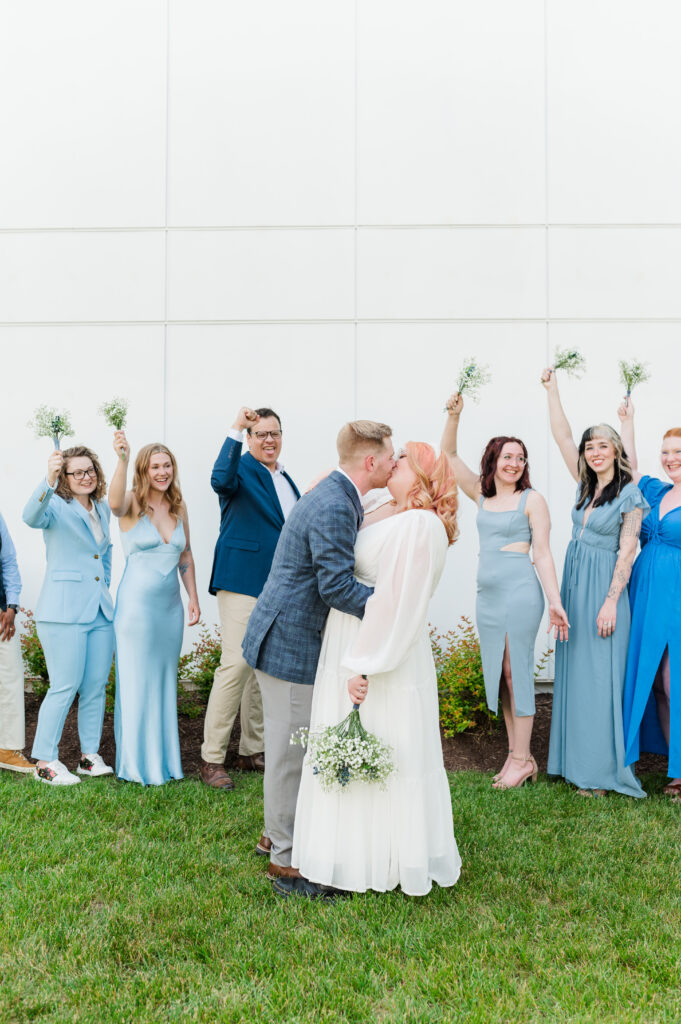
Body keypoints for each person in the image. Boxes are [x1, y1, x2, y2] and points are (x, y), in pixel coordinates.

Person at [290, 441, 462, 897]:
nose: (392, 462)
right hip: (349, 639)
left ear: (423, 477)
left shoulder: (421, 525)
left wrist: (364, 664)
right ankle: (343, 859)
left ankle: (363, 869)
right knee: (348, 752)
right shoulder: (392, 510)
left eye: (401, 458)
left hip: (379, 655)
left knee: (378, 753)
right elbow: (329, 490)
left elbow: (397, 603)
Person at [242, 420, 395, 892]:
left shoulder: (338, 493)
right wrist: (394, 604)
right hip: (290, 640)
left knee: (292, 747)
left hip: (288, 634)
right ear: (370, 462)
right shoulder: (334, 504)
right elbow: (336, 586)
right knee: (290, 755)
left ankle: (275, 835)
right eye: (391, 456)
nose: (394, 463)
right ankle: (285, 863)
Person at [441, 393, 569, 789]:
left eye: (520, 458)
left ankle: (518, 759)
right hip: (488, 598)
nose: (514, 463)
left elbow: (543, 555)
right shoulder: (482, 496)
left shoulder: (532, 500)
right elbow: (447, 454)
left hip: (520, 594)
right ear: (493, 461)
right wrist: (454, 415)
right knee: (500, 675)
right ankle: (522, 757)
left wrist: (555, 602)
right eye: (507, 457)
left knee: (517, 673)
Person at [541, 368, 647, 797]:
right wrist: (552, 391)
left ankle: (601, 772)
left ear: (616, 450)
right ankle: (572, 762)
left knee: (601, 676)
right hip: (574, 584)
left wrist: (609, 602)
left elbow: (627, 551)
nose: (593, 451)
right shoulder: (584, 485)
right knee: (577, 673)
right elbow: (563, 437)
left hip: (605, 590)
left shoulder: (629, 492)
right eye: (590, 447)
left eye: (603, 445)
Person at [201, 405, 300, 798]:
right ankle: (211, 758)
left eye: (275, 433)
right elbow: (218, 480)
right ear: (249, 438)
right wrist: (234, 429)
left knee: (263, 666)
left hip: (278, 587)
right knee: (236, 664)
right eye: (261, 434)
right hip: (241, 580)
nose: (269, 440)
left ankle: (251, 750)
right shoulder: (239, 468)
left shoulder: (286, 478)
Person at [109, 434, 200, 786]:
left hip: (170, 610)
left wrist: (193, 598)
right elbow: (113, 503)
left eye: (167, 465)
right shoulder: (131, 503)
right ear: (144, 470)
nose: (162, 472)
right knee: (135, 683)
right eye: (155, 466)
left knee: (163, 682)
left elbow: (185, 555)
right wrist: (121, 458)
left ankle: (166, 763)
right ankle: (134, 765)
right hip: (135, 610)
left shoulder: (179, 507)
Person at [23, 447, 115, 785]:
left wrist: (105, 588)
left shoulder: (102, 508)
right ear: (65, 477)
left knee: (95, 686)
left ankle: (88, 757)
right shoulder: (55, 508)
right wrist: (47, 480)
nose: (86, 477)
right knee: (65, 685)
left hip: (100, 610)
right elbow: (30, 516)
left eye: (90, 470)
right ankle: (46, 761)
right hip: (62, 612)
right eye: (77, 472)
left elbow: (103, 556)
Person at [617, 401, 681, 797]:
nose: (671, 459)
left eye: (678, 453)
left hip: (676, 595)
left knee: (675, 683)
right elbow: (629, 467)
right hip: (644, 591)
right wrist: (627, 422)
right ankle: (668, 761)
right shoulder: (656, 491)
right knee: (655, 681)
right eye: (667, 452)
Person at [0, 511, 32, 773]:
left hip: (2, 615)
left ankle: (7, 750)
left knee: (10, 677)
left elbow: (8, 561)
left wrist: (11, 605)